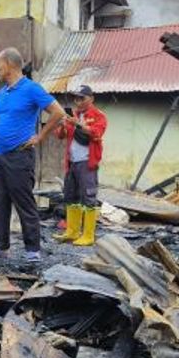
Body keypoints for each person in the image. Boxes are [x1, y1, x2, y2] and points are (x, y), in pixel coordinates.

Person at [0, 47, 66, 262]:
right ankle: (0, 246)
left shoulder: (31, 89)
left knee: (24, 202)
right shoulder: (1, 95)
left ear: (9, 65)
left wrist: (40, 136)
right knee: (0, 203)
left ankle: (32, 249)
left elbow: (58, 113)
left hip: (19, 156)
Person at [54, 85, 107, 247]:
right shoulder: (73, 115)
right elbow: (60, 135)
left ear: (91, 98)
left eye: (81, 98)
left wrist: (78, 124)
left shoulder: (98, 115)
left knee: (89, 198)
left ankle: (88, 235)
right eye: (76, 98)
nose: (78, 101)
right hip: (72, 162)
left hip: (87, 162)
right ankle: (72, 231)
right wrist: (63, 125)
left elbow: (96, 133)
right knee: (71, 196)